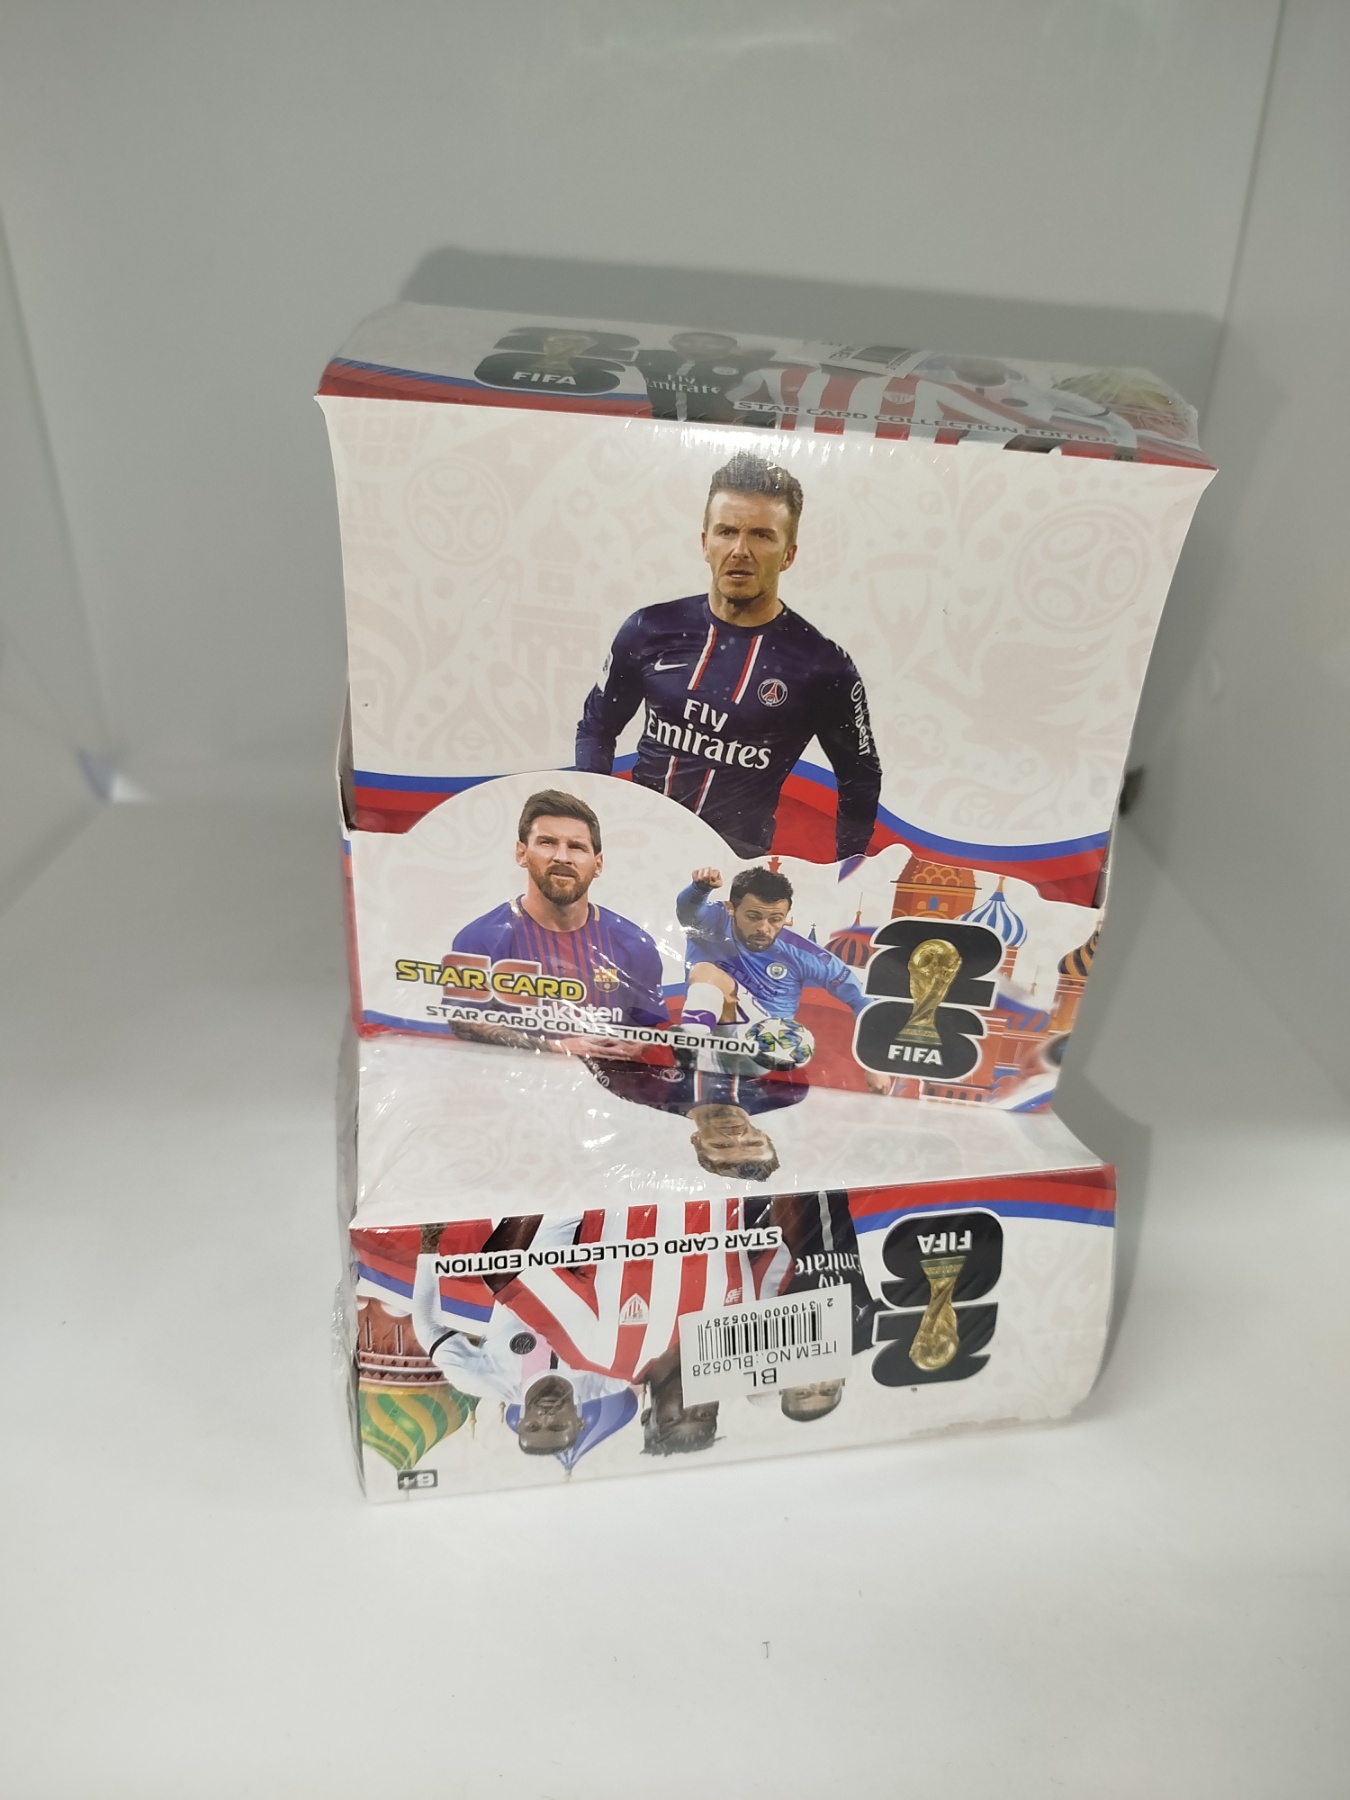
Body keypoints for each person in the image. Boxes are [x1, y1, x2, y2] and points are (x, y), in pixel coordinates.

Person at [575, 453, 882, 860]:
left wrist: (847, 873)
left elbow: (860, 777)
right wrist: (588, 824)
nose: (740, 550)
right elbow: (597, 727)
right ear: (705, 543)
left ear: (788, 554)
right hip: (636, 850)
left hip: (735, 870)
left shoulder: (823, 667)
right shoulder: (649, 628)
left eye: (761, 535)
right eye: (727, 532)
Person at [448, 789, 667, 1053]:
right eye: (547, 843)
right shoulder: (479, 939)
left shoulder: (636, 944)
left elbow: (647, 1026)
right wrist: (553, 1048)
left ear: (598, 864)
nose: (562, 857)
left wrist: (638, 1044)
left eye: (576, 847)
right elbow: (465, 1022)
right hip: (514, 1079)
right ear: (521, 853)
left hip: (610, 1080)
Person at [409, 1220, 633, 1457]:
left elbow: (427, 1328)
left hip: (528, 1232)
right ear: (579, 1423)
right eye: (557, 1426)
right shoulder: (613, 1379)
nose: (546, 1417)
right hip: (602, 1230)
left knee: (500, 1276)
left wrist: (429, 1248)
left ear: (521, 1422)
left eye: (533, 1426)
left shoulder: (485, 1380)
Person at [675, 864, 890, 1093]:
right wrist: (699, 889)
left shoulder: (803, 954)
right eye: (753, 917)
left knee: (705, 971)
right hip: (718, 1045)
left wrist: (874, 1062)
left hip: (765, 1046)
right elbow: (688, 912)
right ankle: (696, 1052)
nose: (764, 928)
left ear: (786, 916)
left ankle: (692, 1041)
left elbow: (861, 1000)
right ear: (731, 909)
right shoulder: (713, 921)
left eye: (775, 919)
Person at [584, 1054, 807, 1181]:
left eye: (721, 1145)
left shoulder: (640, 1090)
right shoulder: (787, 1091)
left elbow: (591, 1036)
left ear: (695, 1139)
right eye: (753, 1142)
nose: (736, 1136)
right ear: (766, 1136)